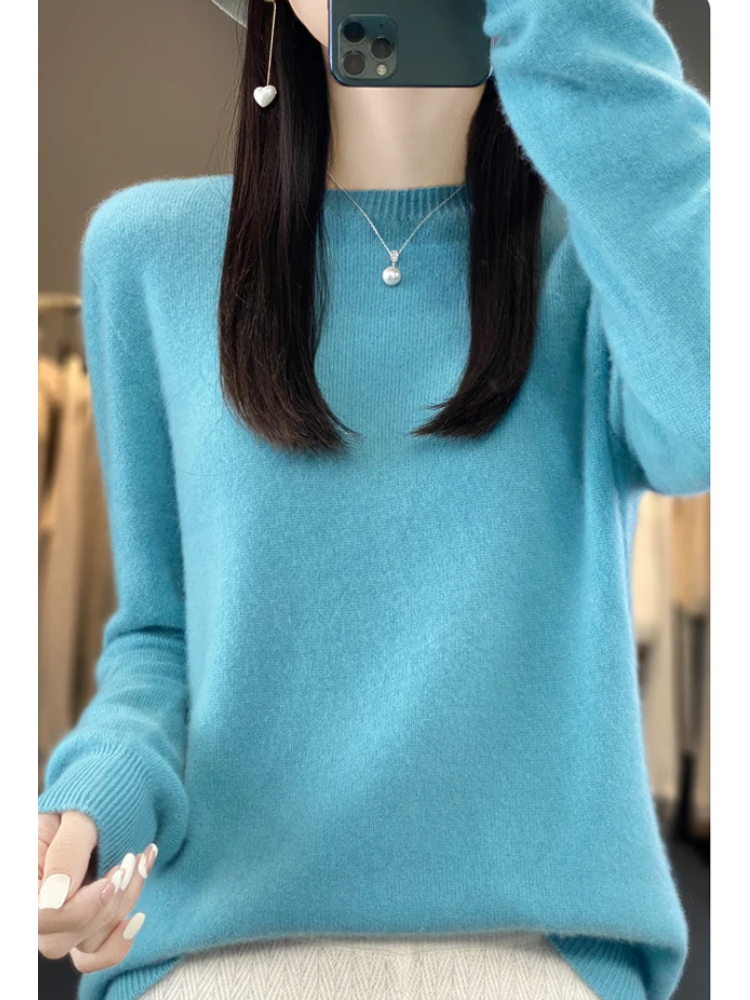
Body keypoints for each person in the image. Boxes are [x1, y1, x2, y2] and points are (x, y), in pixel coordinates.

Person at [37, 1, 710, 998]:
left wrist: (573, 21)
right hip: (218, 948)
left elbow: (706, 423)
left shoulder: (603, 263)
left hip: (535, 952)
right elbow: (159, 641)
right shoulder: (148, 255)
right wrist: (93, 803)